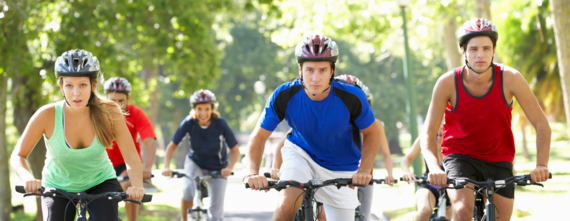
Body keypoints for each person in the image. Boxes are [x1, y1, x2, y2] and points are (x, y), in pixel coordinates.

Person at [422, 18, 551, 221]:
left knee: (501, 217)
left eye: (486, 48)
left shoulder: (511, 78)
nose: (480, 55)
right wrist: (434, 167)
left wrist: (541, 165)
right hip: (459, 156)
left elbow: (541, 124)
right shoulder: (447, 83)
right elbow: (429, 133)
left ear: (494, 50)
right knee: (463, 210)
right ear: (463, 51)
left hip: (499, 158)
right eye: (473, 49)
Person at [245, 34, 381, 221]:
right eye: (309, 70)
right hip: (300, 155)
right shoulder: (284, 95)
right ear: (300, 69)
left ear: (332, 70)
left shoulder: (353, 97)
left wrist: (364, 169)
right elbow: (258, 138)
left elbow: (372, 132)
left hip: (341, 166)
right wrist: (252, 172)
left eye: (322, 70)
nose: (315, 78)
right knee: (286, 205)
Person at [10, 49, 145, 221]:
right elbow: (18, 155)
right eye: (69, 85)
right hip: (57, 185)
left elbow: (131, 156)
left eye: (82, 85)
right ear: (61, 86)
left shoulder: (110, 112)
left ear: (93, 85)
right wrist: (28, 178)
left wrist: (137, 186)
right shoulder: (47, 115)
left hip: (100, 182)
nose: (76, 93)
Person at [269, 74, 394, 221]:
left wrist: (384, 173)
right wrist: (275, 168)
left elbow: (384, 152)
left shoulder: (372, 125)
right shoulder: (324, 120)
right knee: (321, 214)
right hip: (324, 171)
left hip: (360, 176)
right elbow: (283, 144)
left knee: (363, 216)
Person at [161, 89, 240, 221]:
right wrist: (166, 167)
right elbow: (172, 146)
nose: (203, 113)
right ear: (194, 109)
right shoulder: (189, 122)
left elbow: (236, 150)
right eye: (199, 109)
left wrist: (229, 168)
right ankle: (184, 219)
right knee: (187, 189)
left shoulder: (220, 124)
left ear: (212, 109)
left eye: (207, 109)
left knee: (216, 213)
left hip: (218, 168)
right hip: (195, 162)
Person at [104, 77, 157, 221]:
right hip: (103, 164)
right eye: (112, 101)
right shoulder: (99, 114)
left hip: (127, 164)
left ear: (128, 98)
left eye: (121, 101)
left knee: (129, 185)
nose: (117, 105)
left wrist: (147, 168)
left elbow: (150, 142)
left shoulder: (135, 113)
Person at [401, 127, 452, 221]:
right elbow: (406, 160)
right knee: (424, 211)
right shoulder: (426, 136)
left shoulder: (456, 137)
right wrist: (407, 172)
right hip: (428, 185)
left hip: (451, 187)